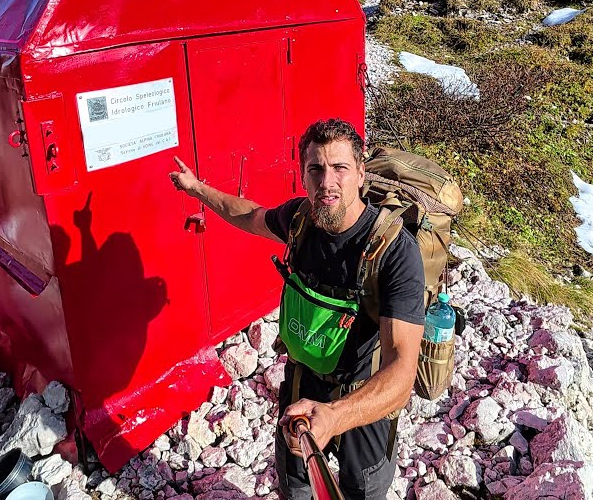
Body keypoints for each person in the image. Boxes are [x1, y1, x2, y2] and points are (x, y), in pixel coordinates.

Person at [168, 118, 424, 500]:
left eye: (340, 168)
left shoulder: (394, 251)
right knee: (296, 485)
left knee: (363, 490)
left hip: (363, 393)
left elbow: (401, 375)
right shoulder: (300, 220)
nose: (327, 182)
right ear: (303, 176)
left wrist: (336, 416)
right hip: (303, 380)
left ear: (360, 174)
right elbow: (249, 215)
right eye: (315, 169)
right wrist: (197, 189)